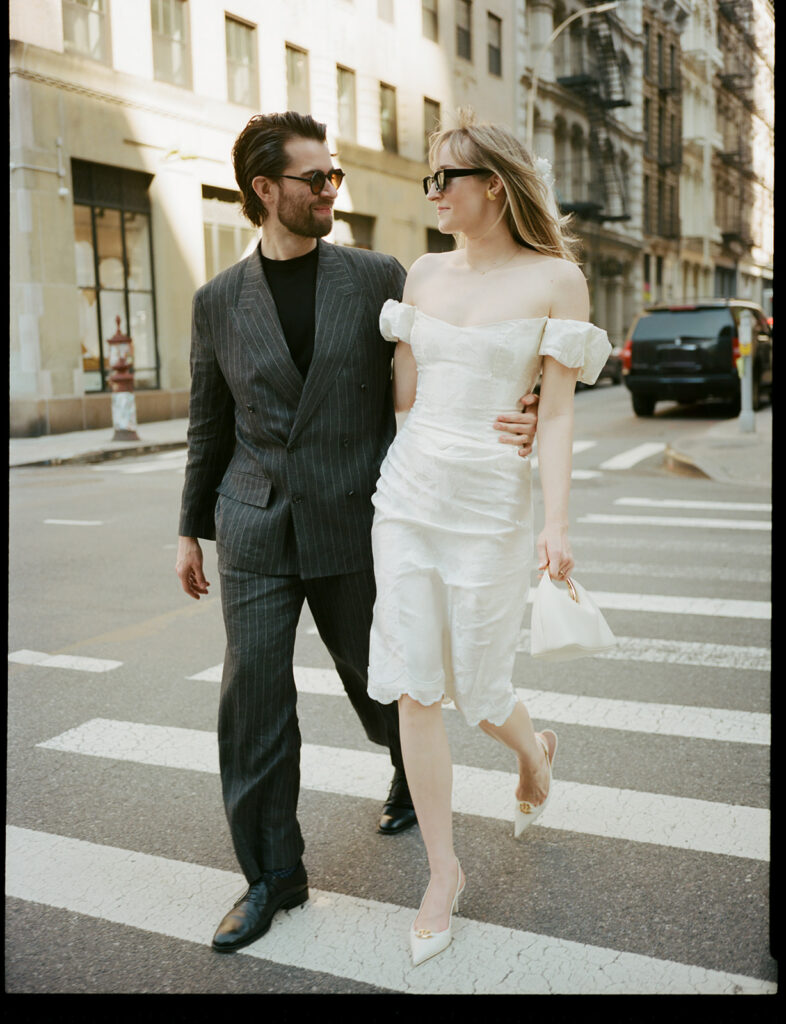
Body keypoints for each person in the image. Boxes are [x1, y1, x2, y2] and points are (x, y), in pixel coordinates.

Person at [174, 111, 541, 954]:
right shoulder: (218, 301)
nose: (330, 191)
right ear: (264, 190)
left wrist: (524, 404)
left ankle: (408, 772)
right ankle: (273, 874)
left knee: (383, 687)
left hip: (359, 513)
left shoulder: (379, 275)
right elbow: (208, 422)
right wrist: (190, 529)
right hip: (256, 522)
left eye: (333, 176)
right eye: (315, 180)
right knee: (253, 702)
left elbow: (453, 360)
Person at [366, 110, 611, 967]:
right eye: (429, 178)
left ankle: (534, 754)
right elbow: (404, 395)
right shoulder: (423, 273)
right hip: (407, 498)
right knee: (415, 685)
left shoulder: (556, 281)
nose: (432, 192)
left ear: (493, 188)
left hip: (492, 507)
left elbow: (560, 414)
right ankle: (444, 872)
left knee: (477, 688)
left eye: (445, 178)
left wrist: (556, 523)